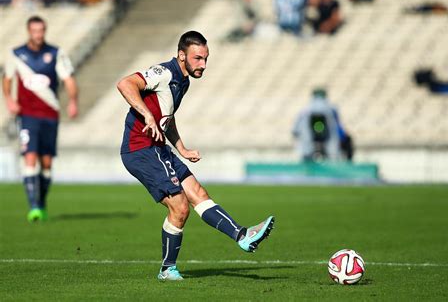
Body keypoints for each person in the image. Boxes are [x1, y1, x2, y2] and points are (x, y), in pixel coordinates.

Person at [116, 31, 275, 281]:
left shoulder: (184, 81)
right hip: (140, 149)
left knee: (199, 194)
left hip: (158, 148)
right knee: (180, 207)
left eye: (206, 59)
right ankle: (167, 269)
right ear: (182, 55)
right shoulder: (164, 72)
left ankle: (243, 236)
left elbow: (167, 118)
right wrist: (147, 115)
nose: (203, 64)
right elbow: (125, 83)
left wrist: (181, 148)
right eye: (198, 58)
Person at [2, 16, 79, 222]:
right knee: (29, 155)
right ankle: (33, 206)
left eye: (41, 30)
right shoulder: (16, 54)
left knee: (46, 162)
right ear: (29, 31)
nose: (38, 34)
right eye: (35, 30)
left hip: (50, 114)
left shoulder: (55, 53)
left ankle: (42, 202)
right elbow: (7, 79)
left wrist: (73, 101)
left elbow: (68, 79)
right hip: (27, 115)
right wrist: (9, 100)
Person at [293, 88, 353, 161]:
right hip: (329, 146)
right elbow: (338, 127)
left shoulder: (305, 109)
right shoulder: (331, 109)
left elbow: (295, 130)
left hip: (308, 146)